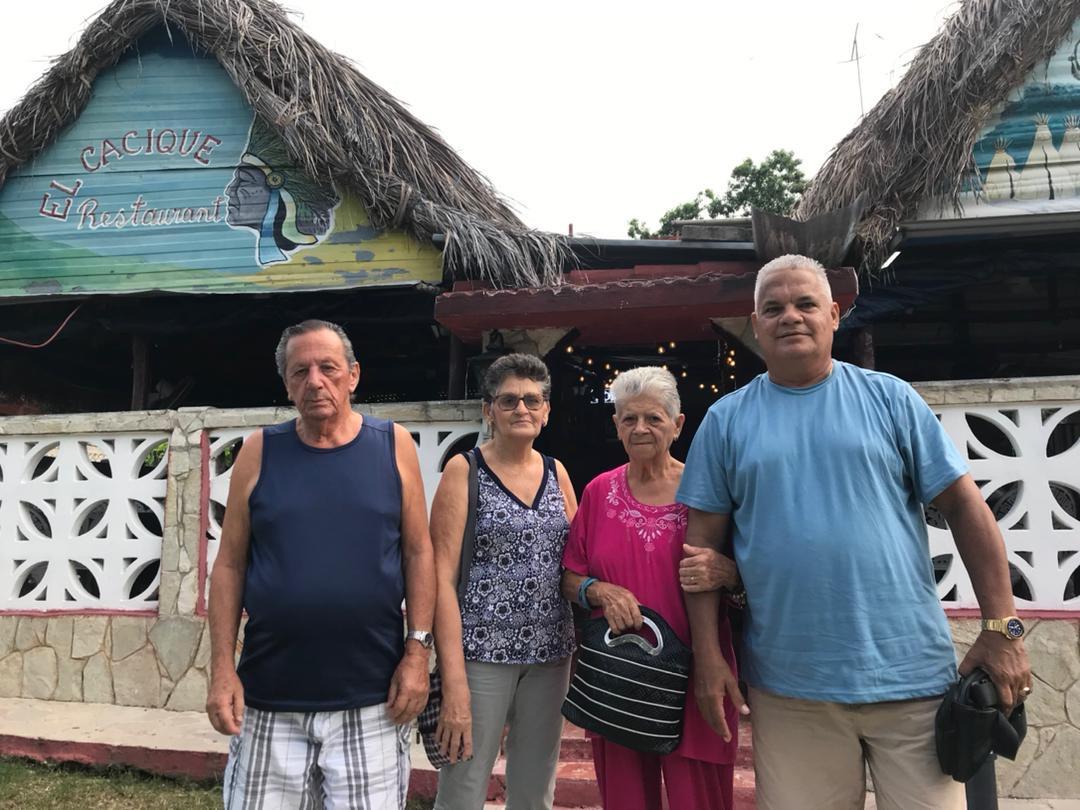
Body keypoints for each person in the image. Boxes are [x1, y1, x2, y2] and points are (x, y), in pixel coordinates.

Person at [678, 255, 1033, 810]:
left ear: (835, 315)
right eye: (773, 308)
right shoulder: (726, 421)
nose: (789, 316)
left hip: (912, 679)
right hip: (789, 687)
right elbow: (699, 552)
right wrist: (709, 657)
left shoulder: (889, 399)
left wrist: (1003, 628)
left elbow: (966, 508)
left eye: (805, 303)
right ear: (755, 323)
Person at [206, 319, 435, 809]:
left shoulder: (393, 446)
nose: (315, 381)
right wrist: (221, 667)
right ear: (287, 384)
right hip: (268, 698)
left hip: (372, 699)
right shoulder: (260, 450)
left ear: (353, 375)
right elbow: (229, 565)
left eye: (328, 368)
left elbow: (419, 552)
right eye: (300, 371)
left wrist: (418, 652)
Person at [561, 366, 741, 810]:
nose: (640, 428)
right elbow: (569, 577)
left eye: (654, 418)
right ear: (616, 425)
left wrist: (728, 572)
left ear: (678, 425)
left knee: (699, 797)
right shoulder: (598, 493)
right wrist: (600, 592)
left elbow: (750, 569)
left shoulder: (710, 490)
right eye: (628, 418)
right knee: (625, 799)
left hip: (699, 669)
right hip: (618, 675)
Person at [431, 353, 578, 810]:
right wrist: (453, 677)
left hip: (550, 658)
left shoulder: (557, 473)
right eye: (509, 399)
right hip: (480, 656)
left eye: (533, 400)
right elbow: (440, 576)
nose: (522, 409)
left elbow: (577, 561)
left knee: (536, 787)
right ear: (487, 409)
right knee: (464, 782)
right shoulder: (464, 470)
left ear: (547, 410)